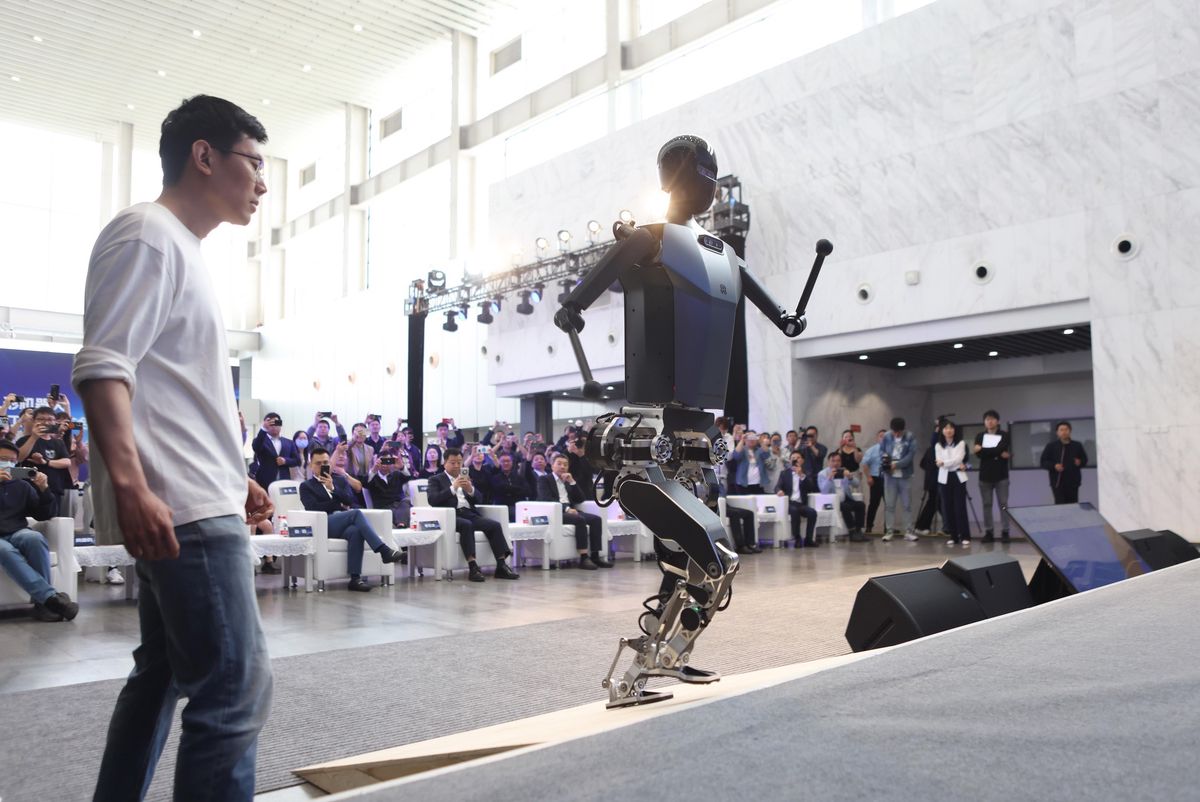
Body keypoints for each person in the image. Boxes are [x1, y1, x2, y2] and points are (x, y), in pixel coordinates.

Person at [76, 95, 275, 802]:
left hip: (195, 497)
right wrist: (132, 489)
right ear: (204, 156)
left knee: (161, 674)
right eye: (252, 162)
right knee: (232, 695)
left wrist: (237, 477)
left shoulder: (177, 247)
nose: (261, 183)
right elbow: (103, 369)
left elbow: (172, 392)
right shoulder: (147, 235)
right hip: (183, 512)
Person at [300, 448, 404, 590]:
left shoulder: (339, 481)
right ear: (311, 465)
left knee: (355, 531)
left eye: (325, 462)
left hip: (341, 521)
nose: (322, 465)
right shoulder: (306, 486)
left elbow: (349, 500)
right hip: (324, 523)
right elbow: (313, 508)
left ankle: (355, 579)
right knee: (355, 513)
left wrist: (332, 489)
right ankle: (383, 550)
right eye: (318, 463)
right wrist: (336, 502)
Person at [0, 439, 80, 622]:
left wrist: (44, 489)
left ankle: (41, 602)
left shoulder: (22, 485)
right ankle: (50, 599)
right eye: (3, 458)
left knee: (34, 538)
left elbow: (44, 515)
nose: (7, 464)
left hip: (16, 532)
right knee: (4, 549)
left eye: (12, 460)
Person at [427, 448, 519, 582]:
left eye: (459, 462)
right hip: (450, 515)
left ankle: (501, 566)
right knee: (466, 525)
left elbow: (479, 499)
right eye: (453, 463)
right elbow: (433, 500)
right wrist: (453, 488)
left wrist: (470, 489)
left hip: (468, 513)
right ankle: (473, 567)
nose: (457, 466)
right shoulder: (435, 479)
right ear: (444, 463)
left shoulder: (464, 477)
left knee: (494, 525)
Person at [538, 454, 613, 569]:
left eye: (565, 464)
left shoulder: (568, 480)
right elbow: (545, 499)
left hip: (571, 510)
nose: (562, 467)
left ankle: (595, 556)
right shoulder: (544, 479)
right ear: (552, 466)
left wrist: (572, 481)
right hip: (556, 513)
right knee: (579, 519)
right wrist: (566, 509)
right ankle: (583, 557)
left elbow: (580, 499)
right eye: (559, 464)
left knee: (596, 520)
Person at [15, 406, 72, 516]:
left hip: (53, 489)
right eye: (41, 419)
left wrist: (46, 462)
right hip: (29, 489)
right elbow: (18, 458)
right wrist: (34, 437)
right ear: (33, 420)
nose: (45, 422)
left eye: (50, 419)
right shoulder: (24, 440)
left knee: (53, 523)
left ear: (55, 422)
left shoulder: (58, 442)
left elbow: (67, 462)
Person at [973, 410, 1011, 543]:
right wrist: (995, 451)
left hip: (1001, 475)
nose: (990, 421)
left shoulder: (1004, 435)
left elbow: (999, 449)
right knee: (986, 504)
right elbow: (978, 455)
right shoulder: (980, 436)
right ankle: (989, 531)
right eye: (987, 419)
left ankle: (1005, 531)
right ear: (984, 422)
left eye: (992, 419)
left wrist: (983, 450)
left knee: (1003, 504)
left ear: (998, 421)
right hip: (985, 476)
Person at [879, 418, 919, 542]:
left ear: (903, 430)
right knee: (889, 505)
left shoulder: (910, 437)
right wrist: (885, 460)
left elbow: (910, 456)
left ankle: (908, 531)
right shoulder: (886, 436)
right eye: (894, 432)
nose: (896, 434)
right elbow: (881, 450)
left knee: (907, 505)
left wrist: (896, 465)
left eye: (899, 432)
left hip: (904, 475)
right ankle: (889, 531)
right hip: (889, 476)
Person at [935, 420, 971, 547]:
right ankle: (953, 536)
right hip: (944, 478)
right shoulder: (938, 445)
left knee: (960, 507)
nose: (948, 430)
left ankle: (965, 535)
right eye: (945, 428)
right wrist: (947, 463)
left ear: (955, 430)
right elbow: (939, 460)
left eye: (951, 428)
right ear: (942, 431)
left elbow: (958, 459)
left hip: (958, 476)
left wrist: (944, 463)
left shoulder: (961, 443)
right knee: (947, 507)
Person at [818, 452, 868, 541]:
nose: (836, 463)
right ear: (828, 462)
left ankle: (858, 531)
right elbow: (824, 491)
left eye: (838, 461)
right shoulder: (822, 474)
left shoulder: (844, 471)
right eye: (833, 461)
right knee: (845, 506)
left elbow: (856, 484)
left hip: (845, 499)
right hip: (832, 502)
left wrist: (849, 476)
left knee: (860, 504)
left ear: (841, 462)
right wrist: (829, 478)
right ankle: (852, 532)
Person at [775, 452, 817, 547]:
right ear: (790, 460)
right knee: (794, 511)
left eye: (798, 458)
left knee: (812, 512)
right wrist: (779, 491)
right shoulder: (784, 473)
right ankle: (797, 538)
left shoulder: (807, 472)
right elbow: (777, 486)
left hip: (801, 503)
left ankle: (808, 539)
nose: (796, 460)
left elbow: (811, 487)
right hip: (789, 503)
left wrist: (801, 474)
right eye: (793, 458)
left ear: (802, 460)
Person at [1040, 421, 1088, 504]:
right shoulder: (1051, 446)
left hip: (1073, 482)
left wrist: (1080, 462)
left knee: (1073, 506)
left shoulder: (1077, 445)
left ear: (1070, 431)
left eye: (1066, 429)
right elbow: (1043, 462)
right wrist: (1054, 466)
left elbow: (1084, 460)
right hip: (1058, 482)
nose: (1064, 432)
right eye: (1061, 430)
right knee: (1060, 507)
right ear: (1057, 433)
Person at [251, 412, 300, 490]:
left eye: (277, 423)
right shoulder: (260, 441)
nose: (274, 426)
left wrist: (285, 461)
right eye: (271, 424)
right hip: (265, 482)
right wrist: (263, 429)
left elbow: (297, 460)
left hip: (284, 480)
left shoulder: (289, 442)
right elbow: (256, 447)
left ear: (280, 425)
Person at [367, 453, 412, 528]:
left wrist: (401, 467)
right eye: (382, 461)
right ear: (377, 462)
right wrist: (374, 470)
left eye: (387, 461)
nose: (384, 465)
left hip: (399, 505)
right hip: (383, 506)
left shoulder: (396, 474)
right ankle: (401, 524)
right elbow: (366, 482)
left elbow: (408, 477)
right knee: (399, 510)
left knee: (407, 501)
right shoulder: (372, 477)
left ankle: (401, 523)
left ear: (391, 463)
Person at [488, 451, 530, 520]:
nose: (506, 463)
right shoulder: (495, 478)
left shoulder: (519, 477)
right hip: (502, 507)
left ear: (512, 462)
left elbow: (527, 491)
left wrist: (508, 489)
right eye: (503, 461)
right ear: (499, 463)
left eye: (508, 461)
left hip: (518, 506)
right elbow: (499, 490)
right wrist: (517, 489)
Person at [728, 428, 769, 495]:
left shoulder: (759, 450)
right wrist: (742, 440)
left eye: (753, 438)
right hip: (743, 483)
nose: (751, 440)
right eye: (749, 438)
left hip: (758, 483)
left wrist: (761, 441)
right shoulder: (743, 449)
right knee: (743, 504)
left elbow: (767, 454)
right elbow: (736, 455)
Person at [861, 429, 886, 534]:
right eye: (881, 436)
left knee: (890, 505)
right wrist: (868, 477)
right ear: (877, 438)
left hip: (888, 480)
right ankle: (869, 526)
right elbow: (865, 464)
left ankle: (888, 527)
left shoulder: (892, 450)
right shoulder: (872, 450)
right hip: (875, 478)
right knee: (874, 504)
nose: (883, 438)